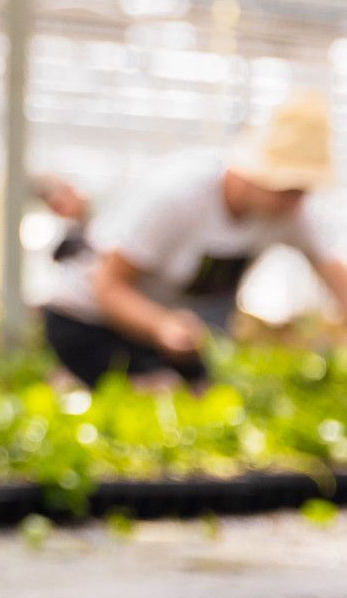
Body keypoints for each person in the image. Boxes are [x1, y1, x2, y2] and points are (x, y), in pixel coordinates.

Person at [41, 94, 347, 391]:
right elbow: (107, 286)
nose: (296, 203)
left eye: (304, 191)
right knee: (162, 396)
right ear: (255, 174)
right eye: (288, 190)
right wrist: (161, 326)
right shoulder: (180, 193)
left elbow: (338, 277)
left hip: (170, 334)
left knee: (207, 396)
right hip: (87, 322)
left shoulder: (290, 211)